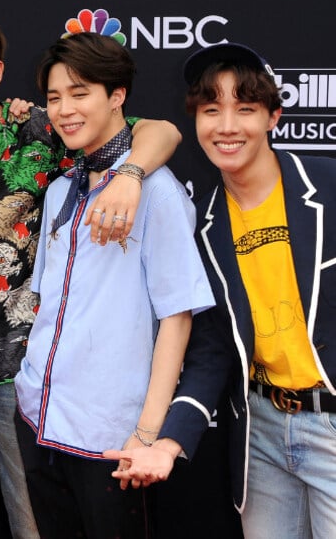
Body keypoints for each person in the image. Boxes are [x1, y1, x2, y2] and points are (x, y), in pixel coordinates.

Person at [0, 12, 181, 538]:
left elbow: (159, 130)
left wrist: (130, 176)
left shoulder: (47, 127)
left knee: (38, 526)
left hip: (29, 375)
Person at [105, 42, 336, 538]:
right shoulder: (202, 225)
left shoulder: (328, 185)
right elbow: (211, 349)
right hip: (261, 433)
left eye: (245, 109)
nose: (227, 126)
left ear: (274, 116)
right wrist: (168, 441)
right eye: (211, 110)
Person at [13, 33, 214, 538]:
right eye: (55, 97)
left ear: (117, 96)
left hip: (112, 440)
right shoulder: (61, 187)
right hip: (40, 421)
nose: (64, 110)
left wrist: (147, 435)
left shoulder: (158, 193)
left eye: (79, 93)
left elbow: (177, 316)